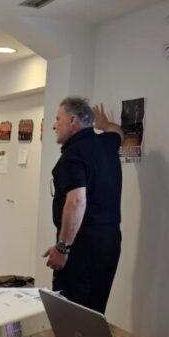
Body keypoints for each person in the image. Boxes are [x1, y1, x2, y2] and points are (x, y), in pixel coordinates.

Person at [43, 97, 123, 313]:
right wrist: (104, 124)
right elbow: (118, 132)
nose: (53, 125)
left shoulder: (73, 155)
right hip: (109, 245)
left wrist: (62, 247)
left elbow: (77, 201)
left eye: (57, 119)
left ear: (72, 120)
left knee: (70, 314)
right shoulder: (107, 144)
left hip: (80, 248)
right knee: (94, 312)